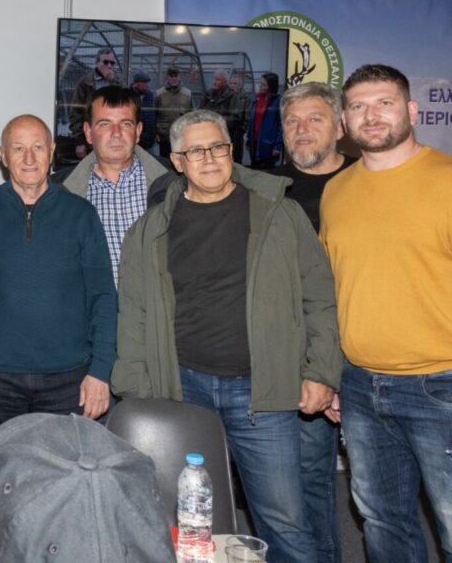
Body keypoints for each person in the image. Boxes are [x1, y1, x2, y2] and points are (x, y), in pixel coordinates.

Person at [112, 109, 340, 563]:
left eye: (217, 147)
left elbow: (319, 296)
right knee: (190, 522)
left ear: (231, 151)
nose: (210, 158)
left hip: (264, 391)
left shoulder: (279, 213)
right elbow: (134, 315)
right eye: (196, 151)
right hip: (182, 389)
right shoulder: (150, 230)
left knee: (285, 521)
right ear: (178, 161)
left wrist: (321, 372)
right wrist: (138, 393)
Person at [320, 64, 452, 563]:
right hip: (358, 386)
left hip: (441, 386)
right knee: (382, 521)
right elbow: (333, 291)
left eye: (384, 103)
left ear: (412, 110)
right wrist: (330, 372)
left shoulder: (447, 180)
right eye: (357, 106)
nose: (370, 116)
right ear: (344, 122)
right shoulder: (337, 191)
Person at [0, 114, 115, 453]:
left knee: (65, 479)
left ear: (51, 152)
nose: (29, 158)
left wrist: (101, 371)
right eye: (18, 148)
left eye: (37, 147)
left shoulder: (81, 214)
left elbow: (104, 296)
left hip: (69, 381)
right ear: (3, 156)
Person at [270, 81, 352, 563]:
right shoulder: (267, 190)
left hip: (364, 355)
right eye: (292, 121)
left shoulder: (365, 182)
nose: (301, 130)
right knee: (303, 480)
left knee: (380, 493)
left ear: (340, 126)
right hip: (297, 357)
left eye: (314, 119)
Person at [54, 86, 176, 286]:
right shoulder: (58, 192)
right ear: (88, 132)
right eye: (105, 124)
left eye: (125, 124)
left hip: (157, 305)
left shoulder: (174, 184)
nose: (116, 133)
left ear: (138, 131)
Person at [68, 49, 120, 159]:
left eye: (112, 63)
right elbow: (76, 112)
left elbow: (125, 106)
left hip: (113, 134)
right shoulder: (86, 83)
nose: (109, 66)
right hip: (92, 137)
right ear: (97, 63)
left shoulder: (118, 82)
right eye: (105, 62)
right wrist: (79, 142)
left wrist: (114, 81)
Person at [247, 72, 283, 169]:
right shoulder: (256, 99)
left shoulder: (278, 101)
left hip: (269, 145)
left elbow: (281, 126)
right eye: (260, 83)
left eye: (263, 85)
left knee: (267, 173)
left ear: (271, 87)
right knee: (254, 171)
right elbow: (251, 121)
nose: (260, 86)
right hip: (254, 142)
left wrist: (278, 146)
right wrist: (248, 140)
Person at [153, 66, 191, 156]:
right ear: (167, 77)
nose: (174, 79)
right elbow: (154, 115)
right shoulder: (159, 94)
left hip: (181, 136)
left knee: (180, 160)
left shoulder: (187, 94)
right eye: (171, 76)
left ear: (179, 77)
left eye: (176, 76)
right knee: (164, 161)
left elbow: (192, 115)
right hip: (164, 137)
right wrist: (155, 133)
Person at [130, 70, 157, 150]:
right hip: (134, 139)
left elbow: (152, 115)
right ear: (135, 83)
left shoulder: (149, 95)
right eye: (144, 82)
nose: (147, 85)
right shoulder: (128, 96)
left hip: (149, 139)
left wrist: (154, 132)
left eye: (147, 82)